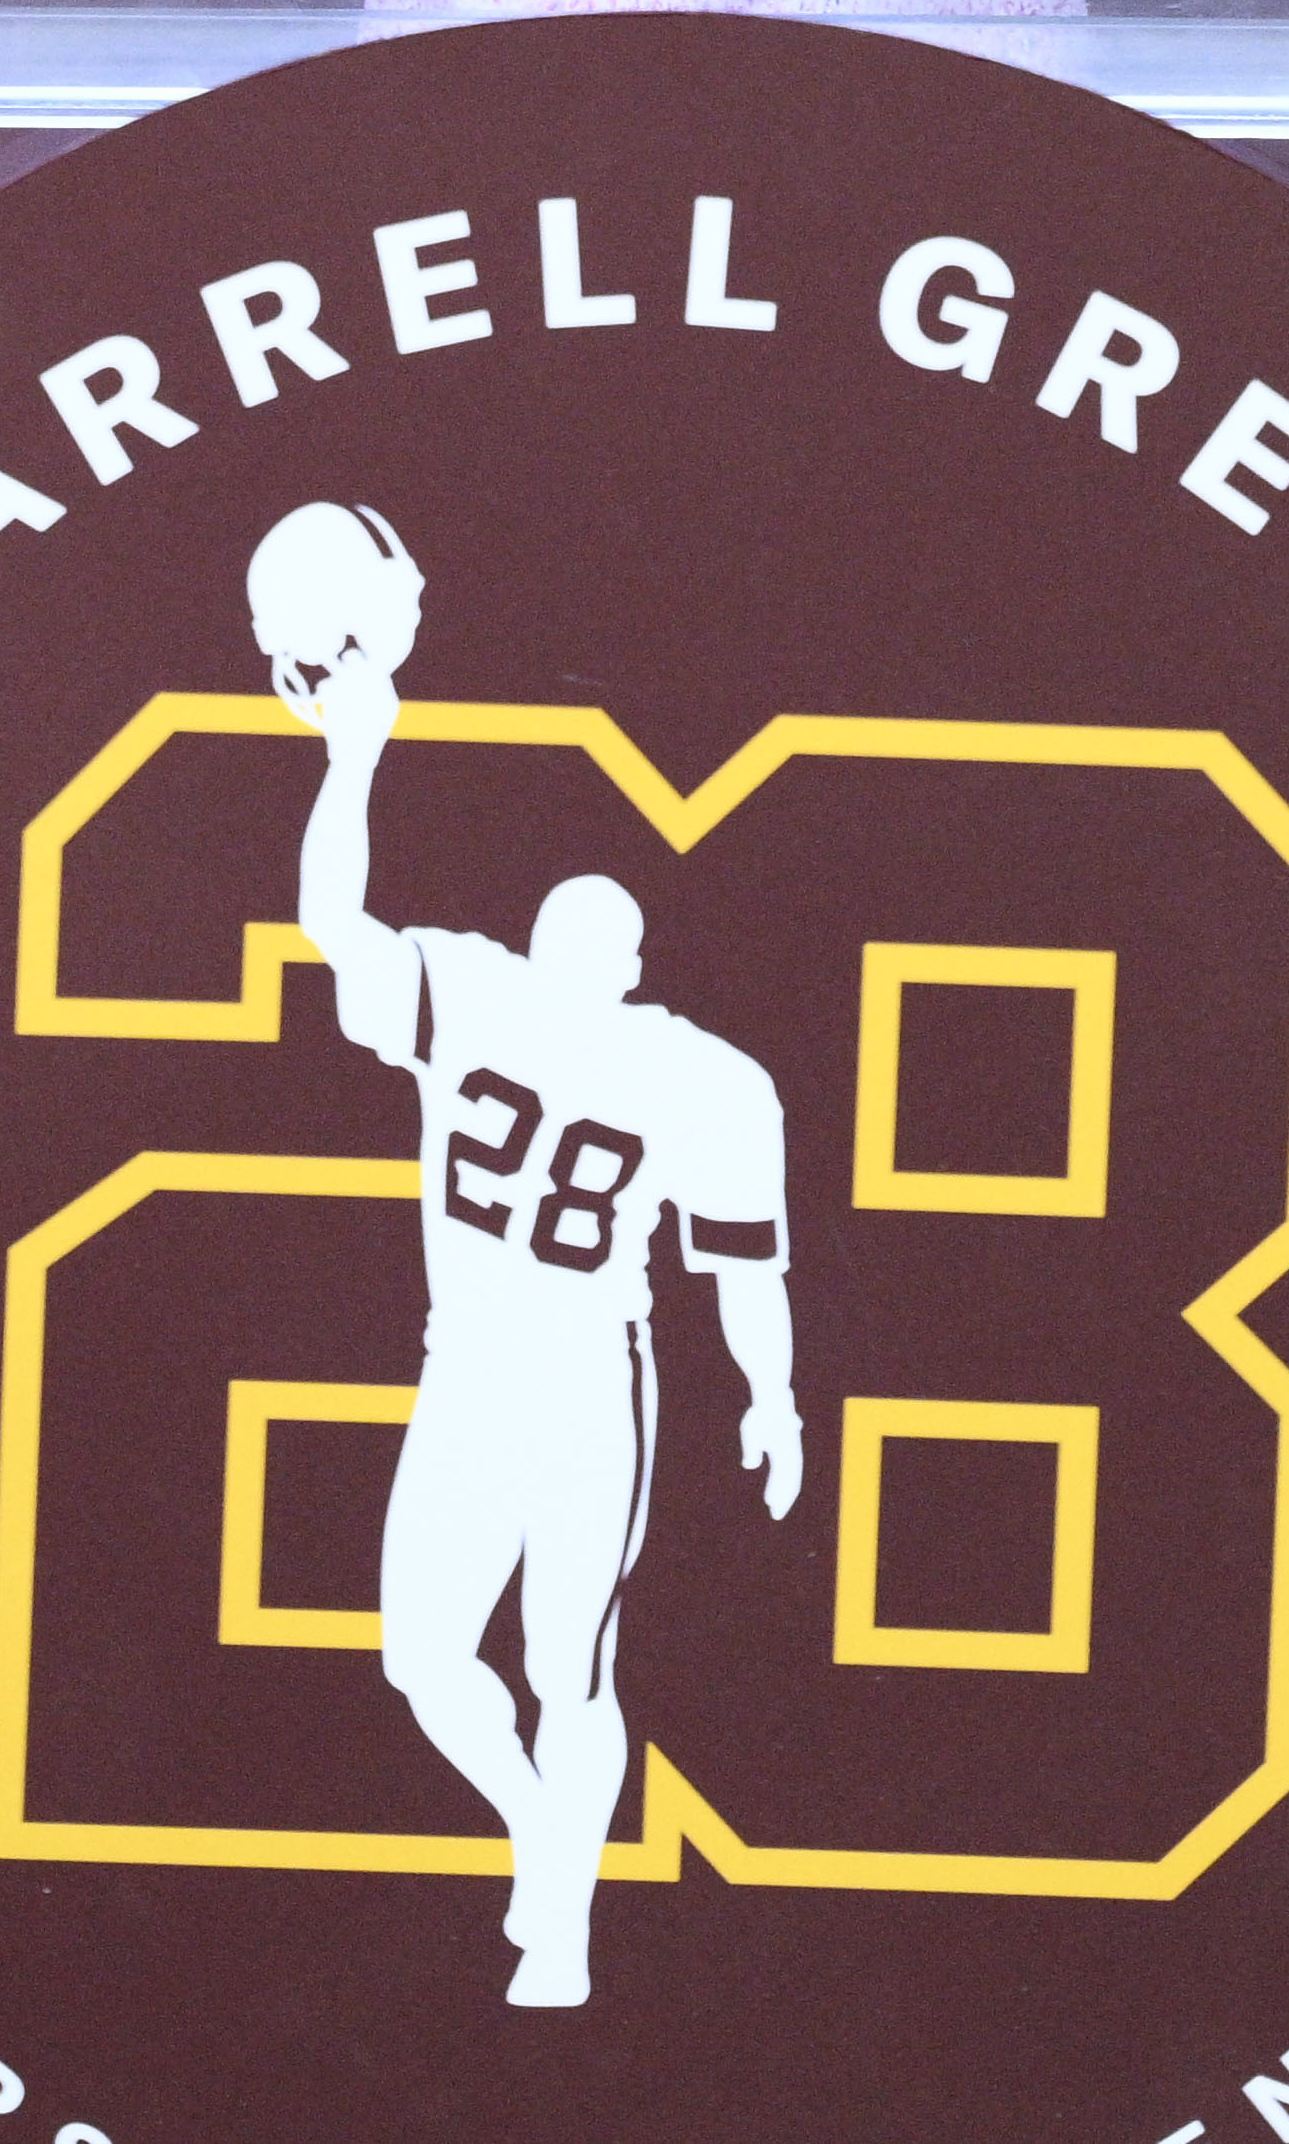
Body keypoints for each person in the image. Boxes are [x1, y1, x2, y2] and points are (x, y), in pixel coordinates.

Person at [273, 520, 790, 2019]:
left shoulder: (534, 1014)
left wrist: (771, 1394)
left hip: (579, 1375)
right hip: (480, 1371)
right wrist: (772, 1390)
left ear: (628, 964)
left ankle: (557, 1920)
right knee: (427, 1657)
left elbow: (331, 918)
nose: (586, 939)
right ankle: (543, 1830)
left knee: (566, 1666)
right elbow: (746, 1264)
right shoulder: (642, 1050)